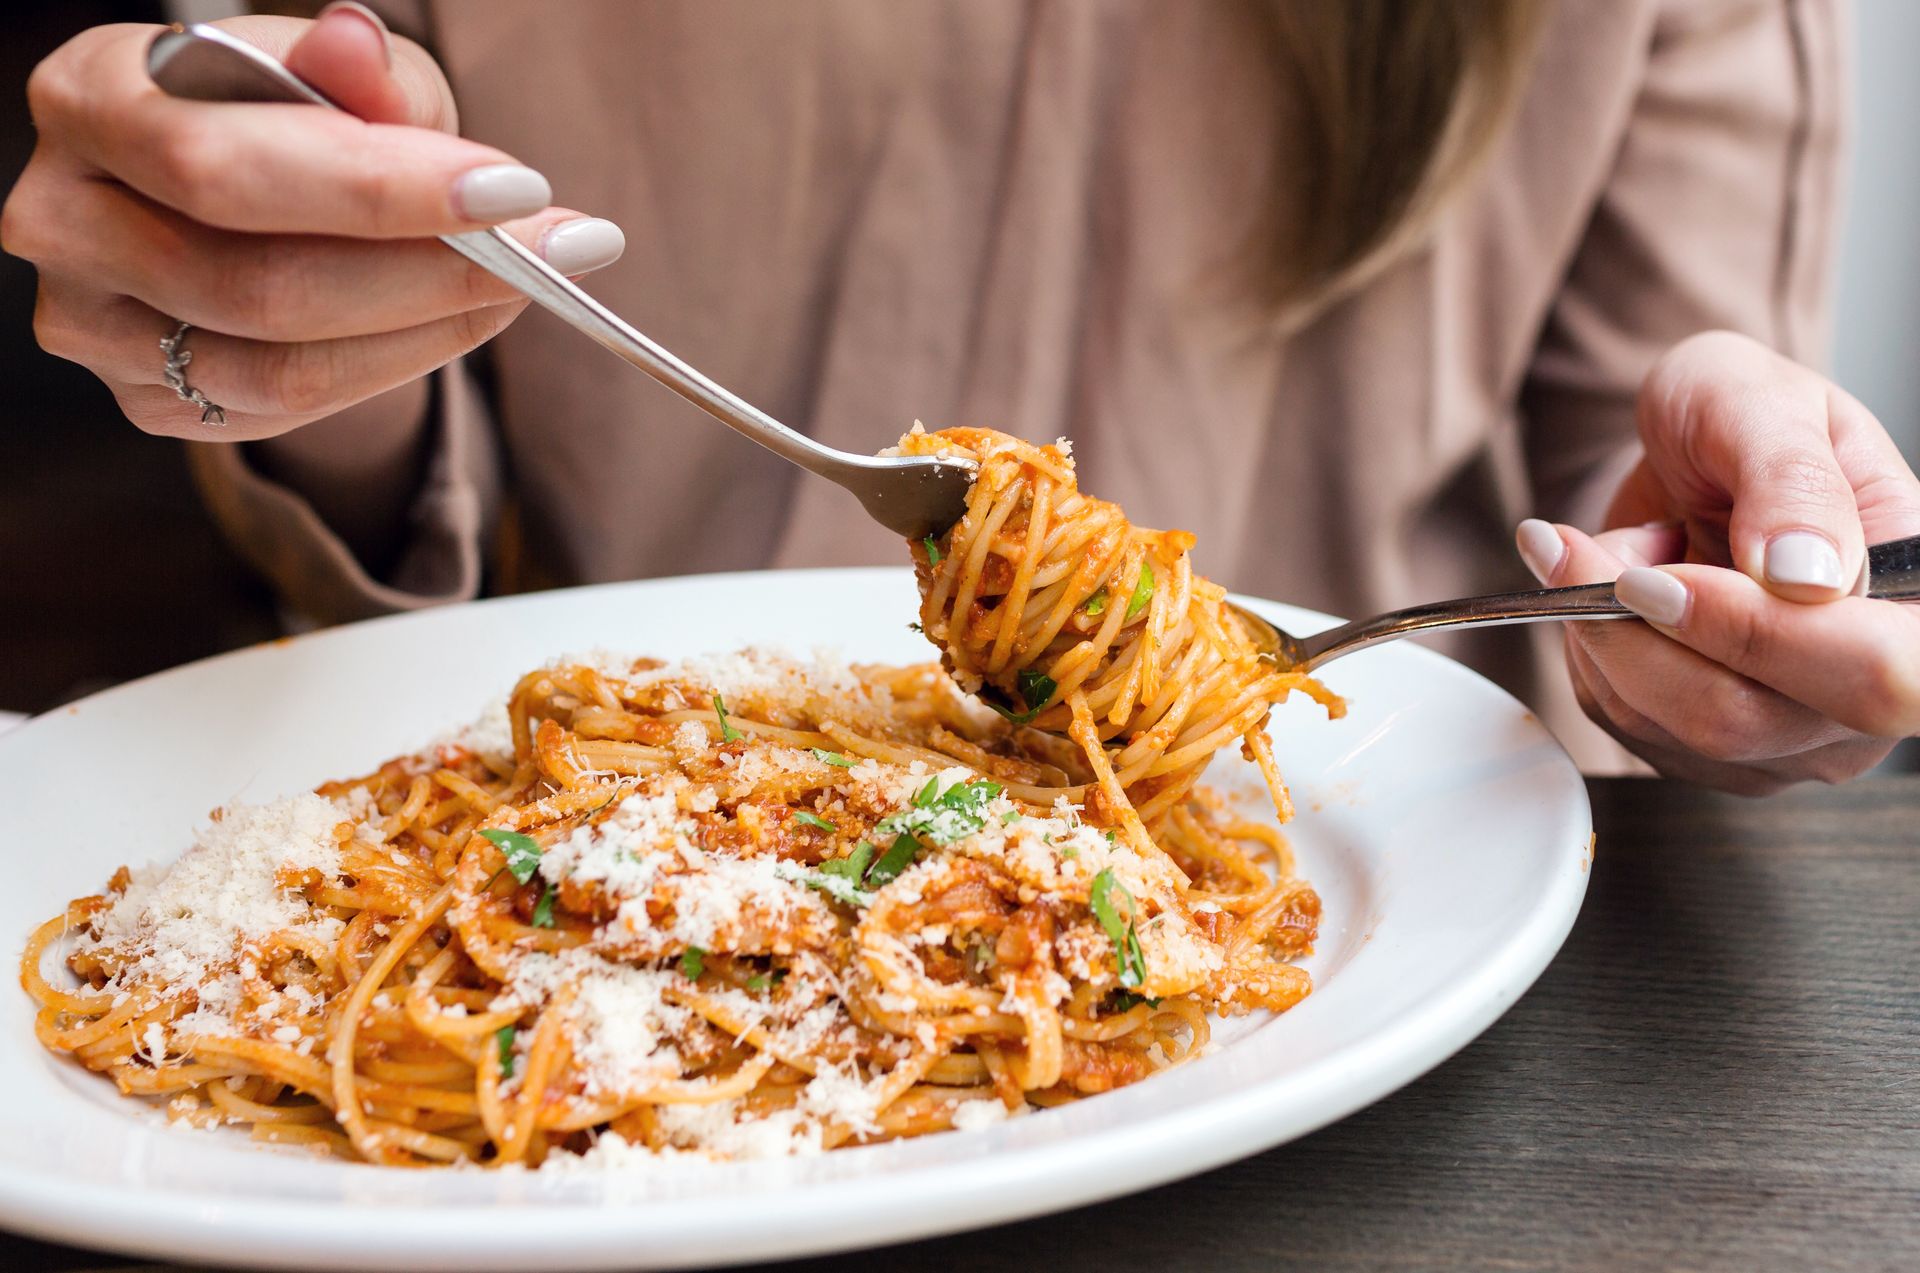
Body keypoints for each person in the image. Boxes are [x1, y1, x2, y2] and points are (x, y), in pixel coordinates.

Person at [3, 1, 1914, 792]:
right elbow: (342, 365)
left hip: (1356, 887)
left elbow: (1639, 492)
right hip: (600, 806)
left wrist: (1721, 623)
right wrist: (264, 295)